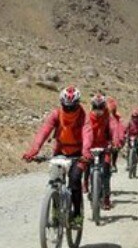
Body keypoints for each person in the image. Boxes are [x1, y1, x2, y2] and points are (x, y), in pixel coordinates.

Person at [23, 86, 91, 226]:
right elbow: (44, 131)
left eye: (72, 107)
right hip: (61, 150)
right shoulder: (56, 114)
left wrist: (85, 153)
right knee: (55, 180)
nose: (69, 110)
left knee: (75, 180)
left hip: (79, 154)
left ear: (78, 104)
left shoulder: (84, 116)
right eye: (66, 107)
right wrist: (33, 150)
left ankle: (77, 215)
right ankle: (55, 212)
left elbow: (88, 134)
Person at [87, 94, 113, 210]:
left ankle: (106, 198)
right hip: (90, 147)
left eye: (101, 108)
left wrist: (113, 143)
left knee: (106, 171)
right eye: (96, 108)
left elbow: (113, 131)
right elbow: (83, 132)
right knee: (86, 167)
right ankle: (88, 187)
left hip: (104, 147)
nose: (98, 111)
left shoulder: (108, 118)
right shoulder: (87, 118)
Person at [107, 97, 125, 173]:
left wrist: (120, 140)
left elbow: (120, 129)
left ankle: (113, 164)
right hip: (107, 138)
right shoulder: (105, 117)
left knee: (114, 151)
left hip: (115, 139)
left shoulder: (118, 118)